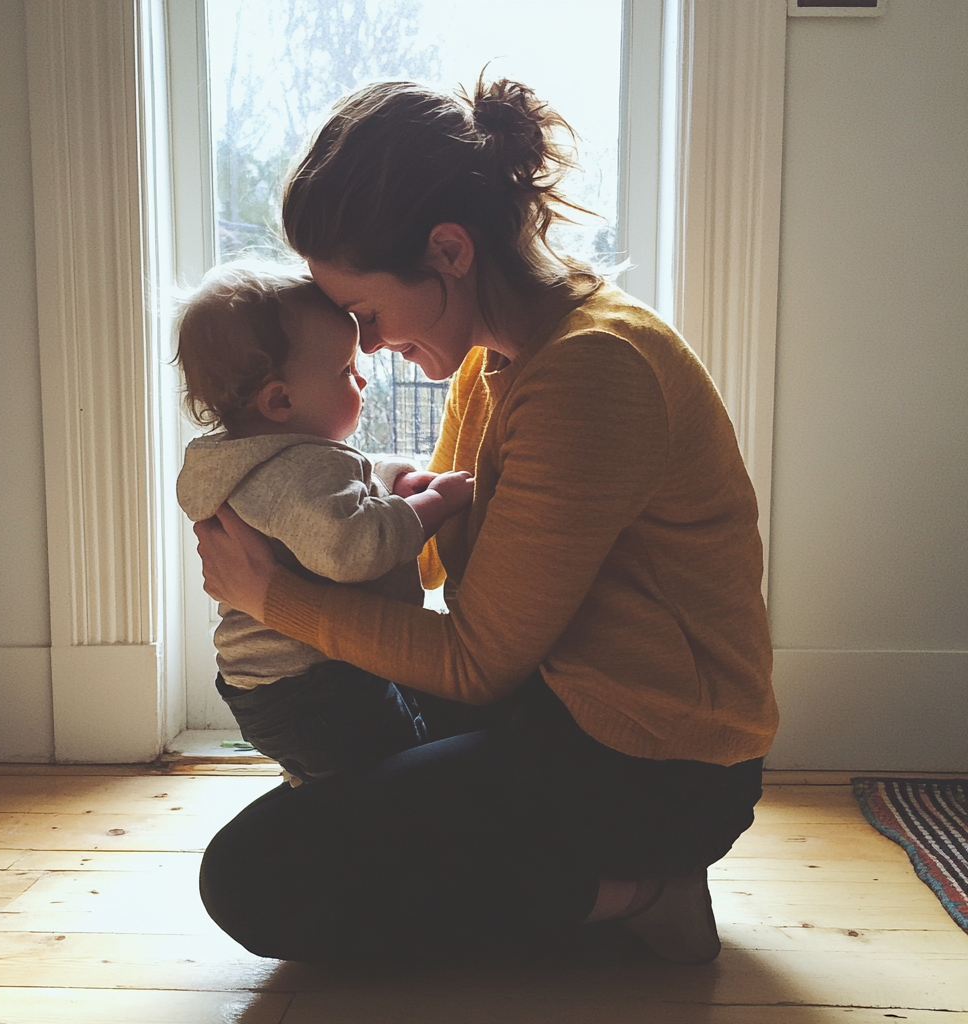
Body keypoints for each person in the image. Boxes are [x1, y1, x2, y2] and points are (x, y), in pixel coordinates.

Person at [193, 78, 779, 965]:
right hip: (553, 697)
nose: (372, 342)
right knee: (326, 790)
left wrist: (273, 597)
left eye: (368, 312)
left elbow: (472, 659)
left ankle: (645, 894)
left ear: (449, 251)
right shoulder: (492, 363)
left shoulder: (592, 373)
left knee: (251, 876)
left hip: (656, 763)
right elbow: (441, 577)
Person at [174, 259, 474, 783]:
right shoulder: (299, 468)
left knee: (338, 770)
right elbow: (352, 545)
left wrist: (393, 483)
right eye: (344, 370)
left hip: (276, 690)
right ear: (280, 399)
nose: (360, 378)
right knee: (396, 770)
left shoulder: (259, 462)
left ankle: (318, 793)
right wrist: (434, 505)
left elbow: (343, 487)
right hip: (318, 686)